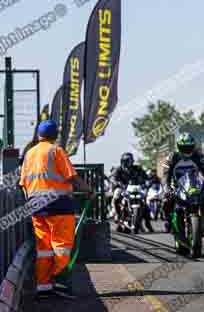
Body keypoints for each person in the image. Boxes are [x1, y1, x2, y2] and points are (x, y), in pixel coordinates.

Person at [20, 120, 93, 299]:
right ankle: (59, 281)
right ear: (55, 136)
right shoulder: (56, 151)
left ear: (39, 135)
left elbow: (22, 183)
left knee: (43, 247)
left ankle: (43, 286)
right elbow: (72, 177)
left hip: (36, 206)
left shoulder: (29, 154)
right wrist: (89, 191)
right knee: (61, 246)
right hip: (58, 205)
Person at [163, 133, 204, 234]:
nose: (187, 150)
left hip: (195, 184)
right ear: (178, 146)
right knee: (166, 199)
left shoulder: (199, 156)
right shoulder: (172, 157)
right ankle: (168, 221)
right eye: (184, 147)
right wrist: (167, 187)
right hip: (177, 184)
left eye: (189, 147)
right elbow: (165, 174)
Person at [110, 152, 153, 233]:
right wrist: (116, 182)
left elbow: (145, 177)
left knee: (145, 204)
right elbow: (113, 177)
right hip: (122, 188)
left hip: (135, 188)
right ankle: (117, 214)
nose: (128, 163)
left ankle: (148, 223)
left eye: (130, 161)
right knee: (116, 195)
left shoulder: (137, 168)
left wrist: (147, 181)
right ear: (122, 161)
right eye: (126, 161)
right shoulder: (118, 169)